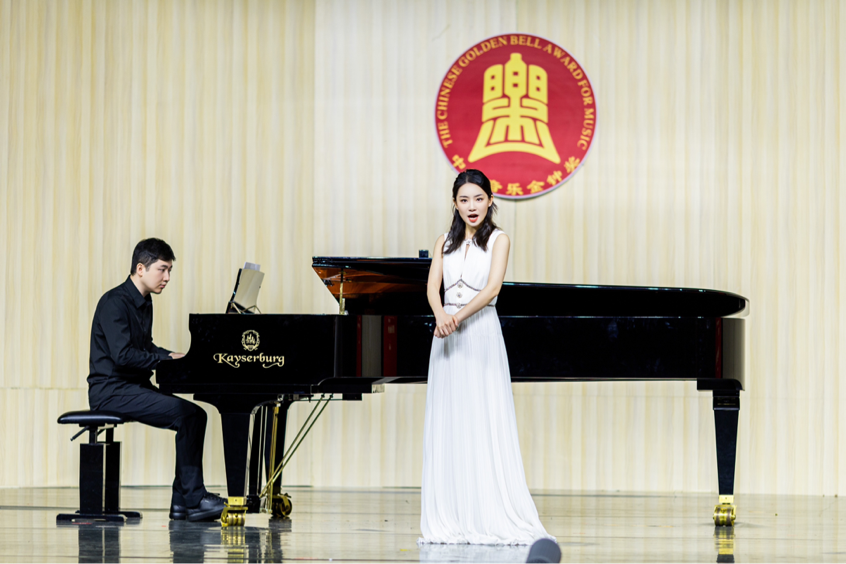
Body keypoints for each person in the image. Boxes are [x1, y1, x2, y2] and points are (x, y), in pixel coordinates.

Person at [419, 170, 554, 545]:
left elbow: (493, 289)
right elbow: (432, 286)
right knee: (449, 419)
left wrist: (457, 318)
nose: (472, 206)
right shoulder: (443, 241)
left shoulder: (499, 239)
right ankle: (452, 517)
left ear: (491, 200)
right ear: (454, 204)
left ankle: (487, 514)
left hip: (478, 332)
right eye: (464, 200)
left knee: (482, 415)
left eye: (478, 198)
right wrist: (441, 315)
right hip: (445, 335)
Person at [87, 238, 225, 522]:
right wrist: (163, 360)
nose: (167, 277)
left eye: (170, 270)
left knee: (195, 415)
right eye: (163, 269)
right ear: (141, 268)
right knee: (188, 416)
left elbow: (144, 346)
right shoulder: (114, 303)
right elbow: (123, 355)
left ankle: (183, 502)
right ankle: (193, 499)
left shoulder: (144, 301)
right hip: (111, 391)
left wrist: (172, 355)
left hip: (132, 387)